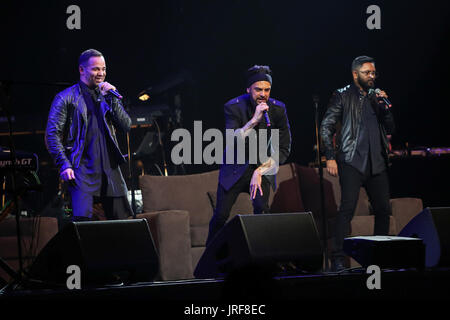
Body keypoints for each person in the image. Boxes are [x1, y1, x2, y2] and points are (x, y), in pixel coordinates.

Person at [320, 55, 395, 271]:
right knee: (347, 208)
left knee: (382, 209)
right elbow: (326, 125)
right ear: (355, 74)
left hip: (377, 161)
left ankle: (379, 257)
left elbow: (391, 128)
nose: (371, 77)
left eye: (373, 73)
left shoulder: (377, 97)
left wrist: (386, 107)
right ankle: (338, 257)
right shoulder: (342, 95)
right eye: (366, 73)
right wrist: (330, 156)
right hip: (352, 160)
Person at [206, 65, 291, 244]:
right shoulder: (233, 107)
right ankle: (210, 257)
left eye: (267, 90)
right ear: (248, 89)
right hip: (235, 168)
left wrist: (260, 171)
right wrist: (254, 121)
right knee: (220, 216)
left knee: (262, 210)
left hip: (261, 167)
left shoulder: (278, 109)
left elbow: (284, 149)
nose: (263, 94)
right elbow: (231, 140)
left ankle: (261, 256)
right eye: (258, 89)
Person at [45, 49, 132, 222]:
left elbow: (126, 126)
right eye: (95, 69)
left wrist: (113, 100)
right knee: (84, 225)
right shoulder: (65, 98)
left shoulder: (108, 95)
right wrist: (64, 164)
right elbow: (52, 134)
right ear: (81, 70)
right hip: (82, 170)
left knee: (123, 223)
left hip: (110, 170)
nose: (101, 74)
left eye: (103, 69)